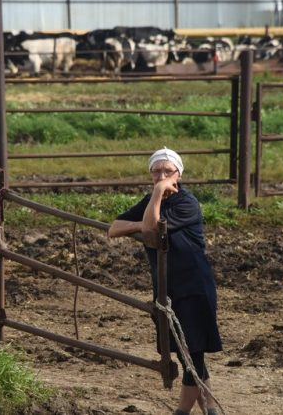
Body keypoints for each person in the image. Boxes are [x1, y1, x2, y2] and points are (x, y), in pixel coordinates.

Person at [108, 147, 222, 415]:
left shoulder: (187, 203)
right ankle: (211, 408)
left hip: (193, 288)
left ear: (178, 174)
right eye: (156, 171)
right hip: (166, 290)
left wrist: (157, 196)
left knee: (191, 353)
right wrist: (147, 212)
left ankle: (183, 412)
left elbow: (151, 228)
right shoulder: (151, 200)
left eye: (167, 171)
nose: (161, 176)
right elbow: (114, 228)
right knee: (187, 355)